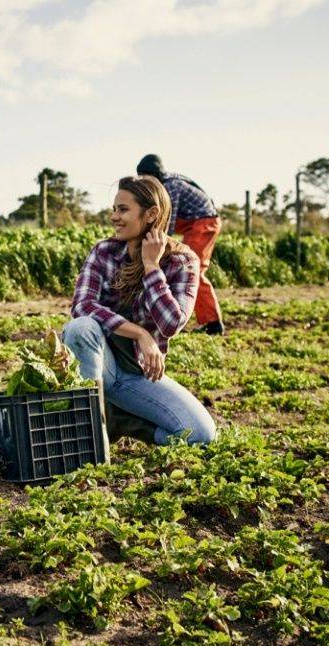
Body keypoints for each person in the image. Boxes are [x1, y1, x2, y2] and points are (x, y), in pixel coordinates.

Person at [63, 175, 217, 446]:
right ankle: (88, 438)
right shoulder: (104, 252)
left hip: (138, 372)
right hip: (101, 365)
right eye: (114, 209)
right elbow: (82, 305)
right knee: (80, 327)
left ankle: (121, 420)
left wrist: (151, 266)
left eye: (123, 209)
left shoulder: (182, 260)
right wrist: (139, 334)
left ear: (151, 214)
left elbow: (171, 323)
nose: (114, 217)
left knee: (201, 435)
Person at [137, 154, 225, 335]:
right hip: (192, 223)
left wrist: (156, 248)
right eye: (141, 177)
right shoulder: (163, 185)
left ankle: (213, 324)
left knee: (193, 270)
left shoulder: (171, 187)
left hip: (204, 222)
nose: (145, 181)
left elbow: (167, 222)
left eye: (148, 177)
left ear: (158, 175)